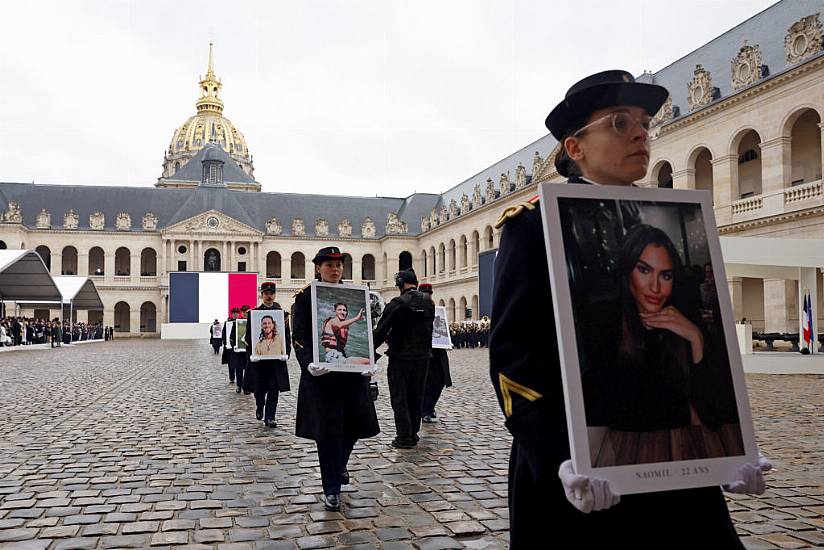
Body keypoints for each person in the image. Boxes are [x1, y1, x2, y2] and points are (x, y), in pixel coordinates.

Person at [489, 69, 770, 548]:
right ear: (575, 148)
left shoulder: (673, 224)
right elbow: (514, 359)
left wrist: (726, 450)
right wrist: (560, 455)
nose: (641, 133)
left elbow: (699, 366)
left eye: (644, 123)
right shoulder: (532, 226)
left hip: (672, 464)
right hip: (580, 471)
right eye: (620, 122)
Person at [587, 224, 743, 467]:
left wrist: (695, 338)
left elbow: (715, 412)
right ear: (627, 271)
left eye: (665, 275)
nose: (655, 287)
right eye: (644, 270)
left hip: (684, 465)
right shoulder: (605, 330)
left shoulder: (686, 327)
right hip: (623, 464)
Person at [292, 246, 379, 511]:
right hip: (323, 377)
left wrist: (371, 360)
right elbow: (300, 335)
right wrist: (308, 364)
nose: (335, 268)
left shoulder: (353, 294)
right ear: (318, 268)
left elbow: (367, 331)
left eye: (339, 264)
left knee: (353, 427)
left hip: (351, 378)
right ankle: (331, 488)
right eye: (329, 264)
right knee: (328, 433)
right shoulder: (305, 298)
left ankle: (339, 465)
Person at [373, 268, 434, 449]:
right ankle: (413, 433)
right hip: (423, 357)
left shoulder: (397, 303)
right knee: (416, 395)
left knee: (400, 398)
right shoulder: (429, 302)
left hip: (401, 357)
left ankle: (404, 436)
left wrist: (367, 351)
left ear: (400, 284)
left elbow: (381, 331)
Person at [247, 282, 291, 427]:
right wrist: (251, 353)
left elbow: (286, 336)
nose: (269, 296)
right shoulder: (254, 314)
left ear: (275, 295)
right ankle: (260, 406)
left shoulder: (282, 314)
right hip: (260, 360)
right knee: (259, 389)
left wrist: (287, 352)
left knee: (274, 389)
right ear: (262, 295)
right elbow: (249, 337)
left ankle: (270, 416)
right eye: (266, 293)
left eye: (271, 293)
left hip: (276, 360)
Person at [418, 283, 452, 423]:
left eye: (429, 294)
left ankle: (430, 406)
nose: (428, 296)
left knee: (439, 381)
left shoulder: (437, 311)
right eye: (425, 293)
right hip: (424, 353)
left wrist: (447, 340)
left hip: (438, 354)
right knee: (425, 383)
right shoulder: (417, 310)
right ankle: (424, 410)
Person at [223, 307, 240, 386]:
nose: (235, 314)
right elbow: (224, 333)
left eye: (236, 313)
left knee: (238, 364)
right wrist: (225, 343)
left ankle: (239, 378)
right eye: (233, 313)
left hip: (239, 346)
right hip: (229, 347)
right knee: (230, 363)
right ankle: (232, 377)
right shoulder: (227, 323)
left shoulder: (241, 322)